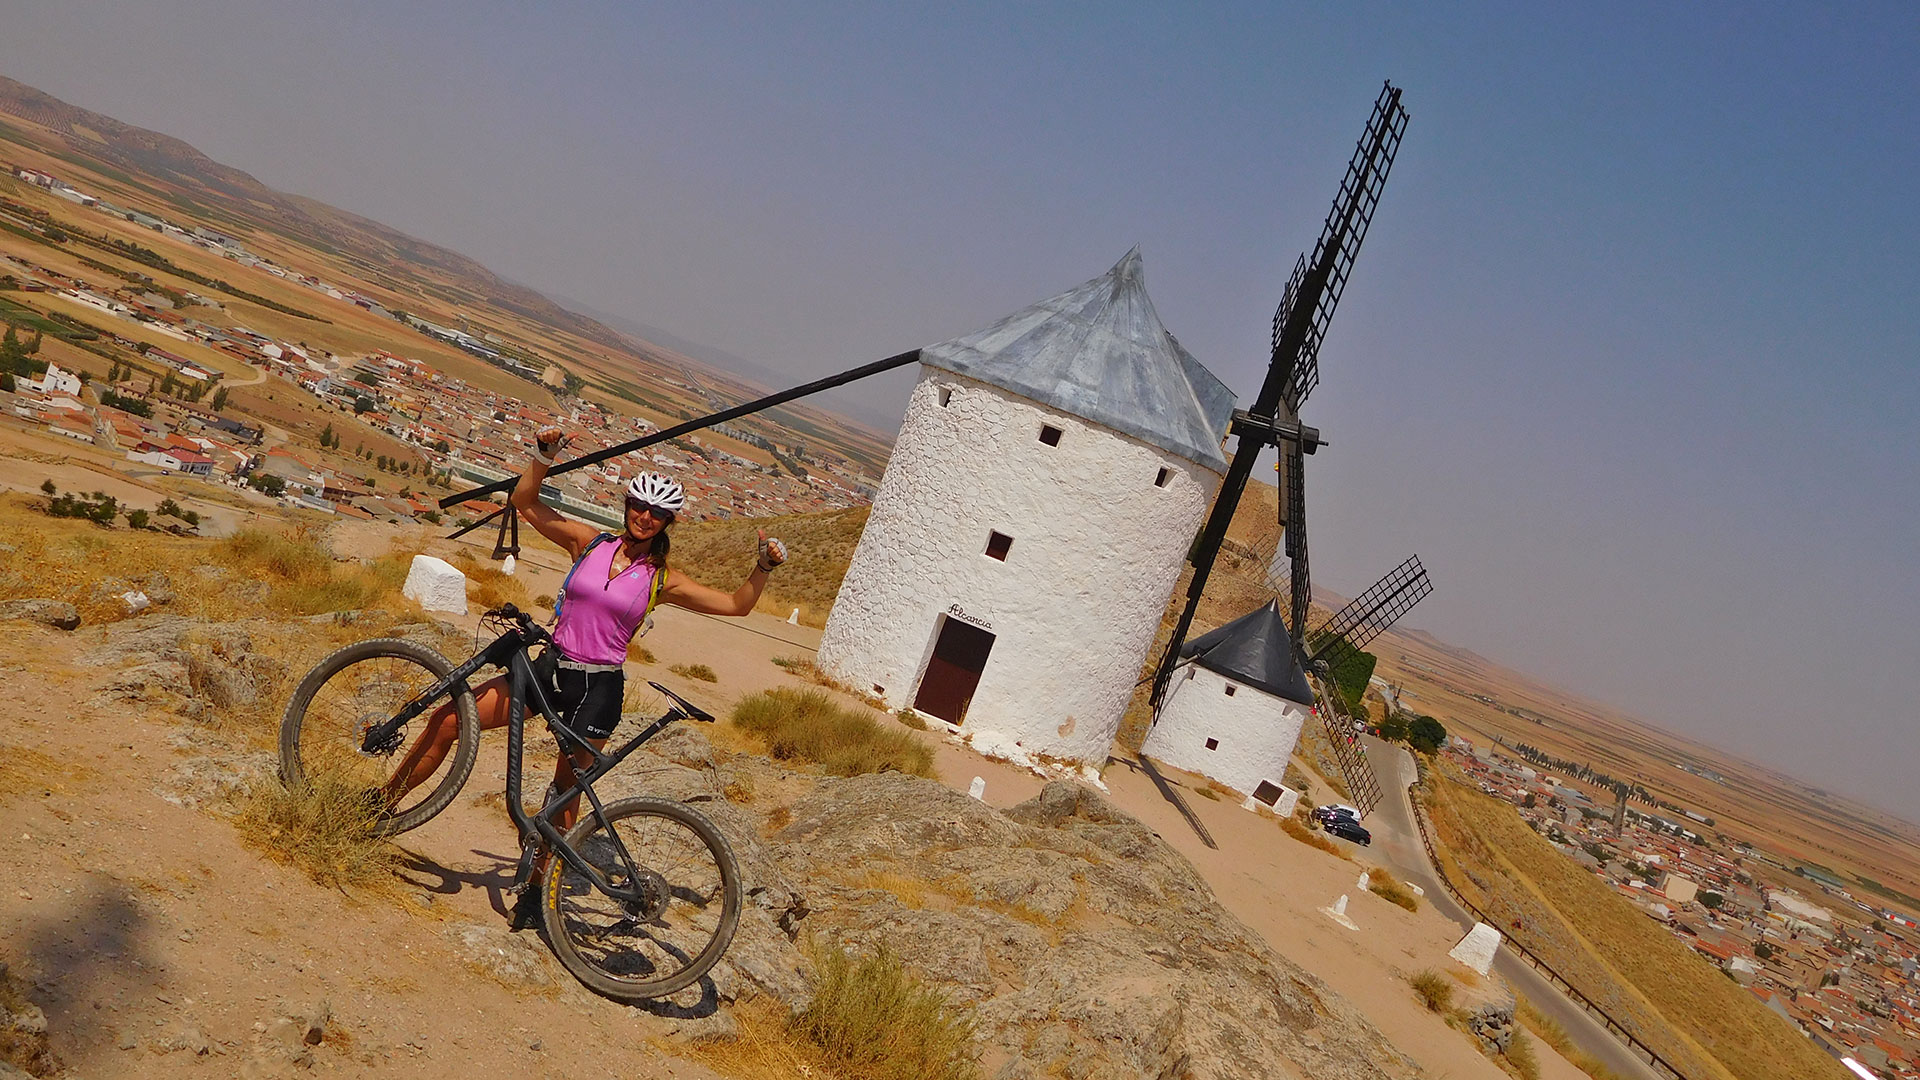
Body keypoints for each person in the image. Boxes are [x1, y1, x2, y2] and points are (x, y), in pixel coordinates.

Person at [382, 426, 787, 928]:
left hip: (597, 690)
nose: (646, 516)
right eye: (640, 505)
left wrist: (762, 567)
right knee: (448, 721)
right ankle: (378, 807)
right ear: (627, 505)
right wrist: (542, 455)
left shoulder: (662, 579)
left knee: (564, 797)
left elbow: (736, 605)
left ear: (667, 523)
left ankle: (535, 895)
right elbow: (526, 502)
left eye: (658, 513)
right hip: (550, 666)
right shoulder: (587, 543)